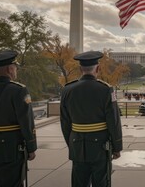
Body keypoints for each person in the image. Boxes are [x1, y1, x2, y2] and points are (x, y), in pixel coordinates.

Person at [60, 51, 123, 187]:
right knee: (101, 182)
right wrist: (117, 147)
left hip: (77, 144)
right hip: (100, 147)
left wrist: (71, 143)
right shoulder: (106, 90)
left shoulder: (67, 90)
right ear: (98, 69)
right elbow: (114, 121)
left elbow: (65, 123)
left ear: (79, 69)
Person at [0, 50, 37, 186]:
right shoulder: (19, 90)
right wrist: (31, 147)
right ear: (10, 69)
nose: (15, 70)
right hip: (11, 148)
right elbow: (26, 122)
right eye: (15, 67)